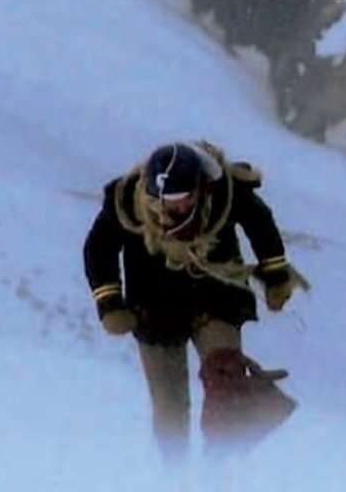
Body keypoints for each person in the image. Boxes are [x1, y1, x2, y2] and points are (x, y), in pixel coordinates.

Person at [83, 140, 308, 464]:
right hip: (154, 312)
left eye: (185, 199)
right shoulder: (126, 204)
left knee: (225, 378)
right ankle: (174, 477)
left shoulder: (225, 194)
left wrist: (276, 276)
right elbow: (99, 249)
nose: (178, 209)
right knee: (170, 408)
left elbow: (260, 223)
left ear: (201, 188)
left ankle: (219, 468)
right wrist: (110, 303)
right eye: (169, 201)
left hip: (217, 300)